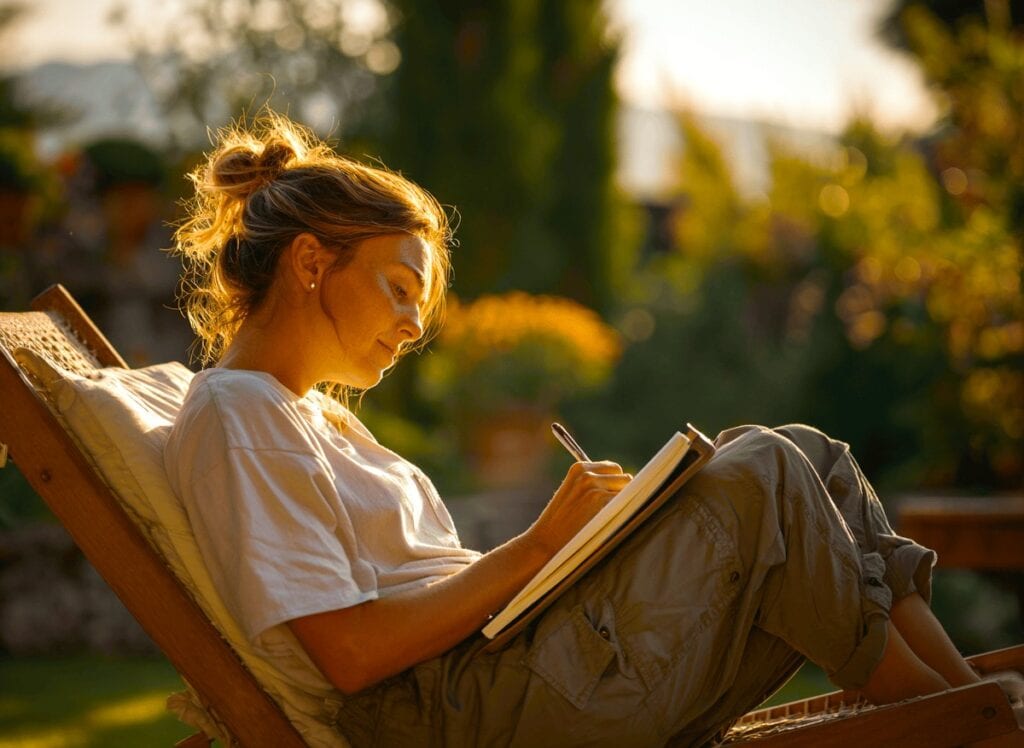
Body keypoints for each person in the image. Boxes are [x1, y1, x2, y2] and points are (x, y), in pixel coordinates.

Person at [163, 112, 1017, 748]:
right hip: (463, 711)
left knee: (809, 456)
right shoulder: (243, 414)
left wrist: (592, 548)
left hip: (515, 670)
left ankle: (955, 700)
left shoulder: (302, 417)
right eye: (397, 288)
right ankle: (948, 724)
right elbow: (346, 654)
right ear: (312, 263)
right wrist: (541, 549)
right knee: (765, 468)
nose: (414, 326)